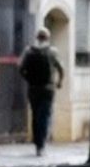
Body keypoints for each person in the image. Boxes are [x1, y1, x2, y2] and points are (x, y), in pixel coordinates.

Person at [19, 27, 65, 156]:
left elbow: (21, 68)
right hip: (48, 89)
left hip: (33, 88)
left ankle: (37, 143)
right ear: (48, 38)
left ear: (37, 37)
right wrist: (60, 82)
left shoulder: (29, 51)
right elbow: (61, 68)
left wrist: (29, 79)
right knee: (44, 116)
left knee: (35, 115)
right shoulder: (52, 52)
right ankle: (41, 145)